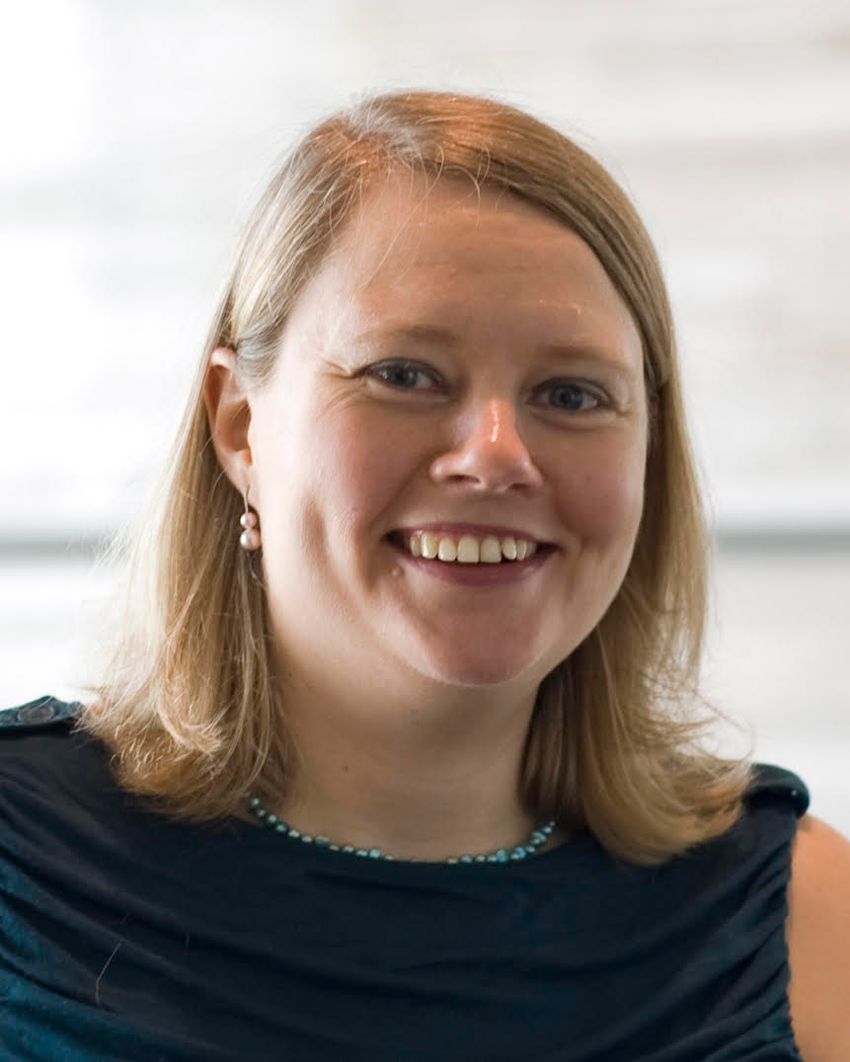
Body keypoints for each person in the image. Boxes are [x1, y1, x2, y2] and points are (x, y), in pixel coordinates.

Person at [1, 90, 847, 1061]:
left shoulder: (800, 923)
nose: (496, 456)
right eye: (403, 374)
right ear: (239, 426)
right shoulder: (19, 858)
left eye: (571, 394)